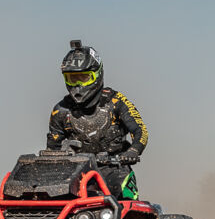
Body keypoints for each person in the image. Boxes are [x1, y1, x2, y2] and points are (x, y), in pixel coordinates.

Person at [47, 40, 149, 199]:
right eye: (72, 79)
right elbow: (52, 149)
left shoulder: (116, 101)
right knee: (51, 197)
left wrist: (133, 151)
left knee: (125, 198)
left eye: (83, 77)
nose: (78, 85)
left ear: (97, 74)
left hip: (115, 169)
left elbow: (140, 131)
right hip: (76, 173)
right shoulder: (60, 110)